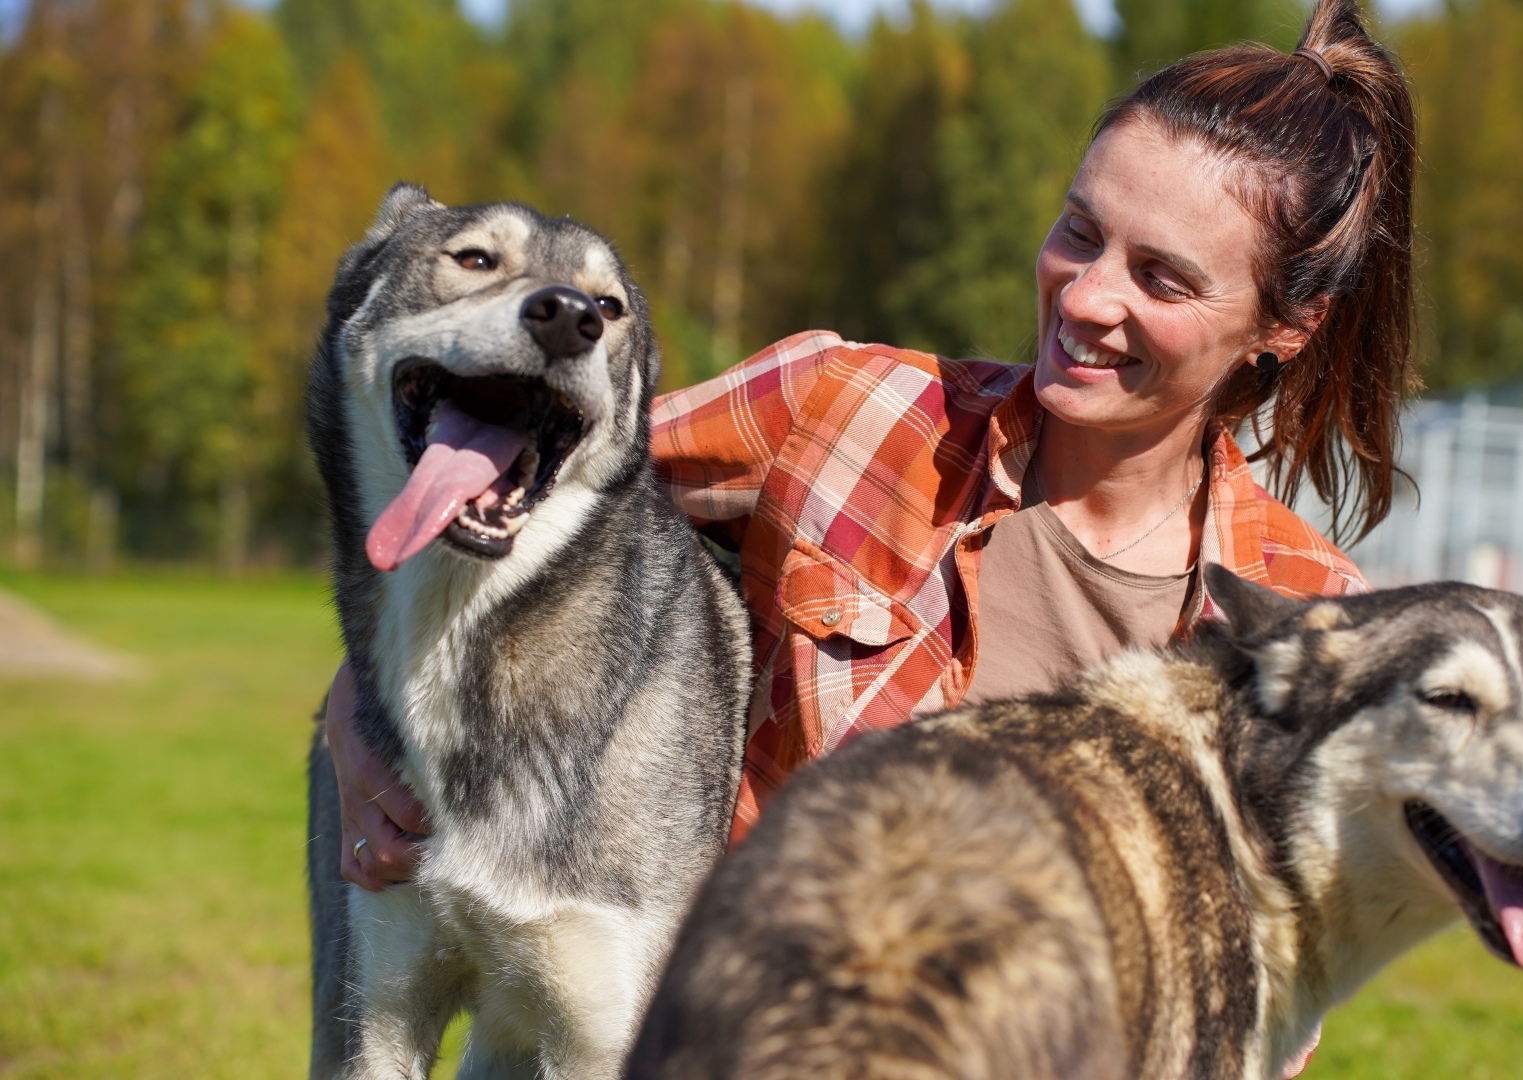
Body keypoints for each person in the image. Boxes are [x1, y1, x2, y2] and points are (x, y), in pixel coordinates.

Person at [322, 2, 1413, 1068]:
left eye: (1161, 276)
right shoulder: (845, 410)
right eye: (1080, 232)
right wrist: (356, 709)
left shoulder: (1308, 626)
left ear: (1286, 326)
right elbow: (537, 475)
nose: (1086, 296)